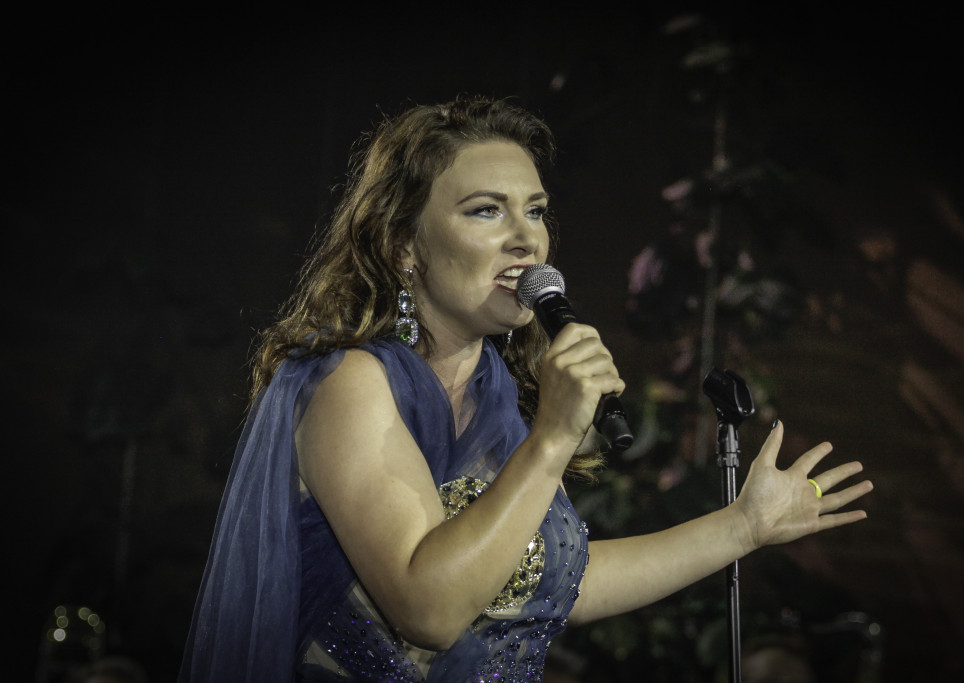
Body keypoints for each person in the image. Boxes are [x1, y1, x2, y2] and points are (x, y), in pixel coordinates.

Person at [178, 96, 872, 682]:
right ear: (403, 246)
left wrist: (743, 526)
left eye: (535, 211)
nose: (526, 240)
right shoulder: (352, 384)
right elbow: (429, 609)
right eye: (486, 211)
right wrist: (554, 436)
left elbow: (551, 587)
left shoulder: (499, 400)